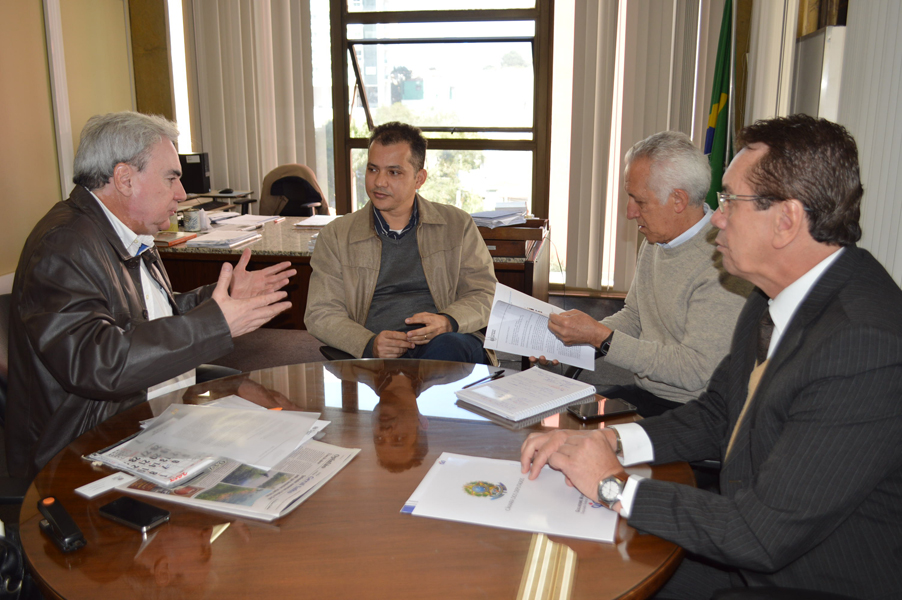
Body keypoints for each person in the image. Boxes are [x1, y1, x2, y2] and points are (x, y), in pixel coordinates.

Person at [520, 115, 902, 598]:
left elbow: (760, 535)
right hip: (757, 547)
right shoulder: (772, 295)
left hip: (815, 578)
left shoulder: (865, 343)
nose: (716, 217)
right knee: (587, 566)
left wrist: (613, 484)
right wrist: (614, 442)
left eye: (729, 202)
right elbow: (720, 411)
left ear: (785, 220)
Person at [6, 111, 294, 480]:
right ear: (125, 179)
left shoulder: (127, 231)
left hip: (140, 416)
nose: (182, 193)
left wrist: (221, 298)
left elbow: (147, 318)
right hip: (81, 450)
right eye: (171, 177)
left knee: (267, 447)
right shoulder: (62, 246)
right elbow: (98, 364)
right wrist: (215, 323)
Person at [535, 131, 751, 416]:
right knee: (554, 416)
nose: (629, 212)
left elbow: (695, 370)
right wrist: (573, 341)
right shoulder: (657, 239)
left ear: (678, 201)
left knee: (578, 443)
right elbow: (635, 316)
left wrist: (602, 337)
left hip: (696, 410)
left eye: (640, 201)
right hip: (648, 394)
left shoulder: (723, 262)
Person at [306, 122, 496, 363]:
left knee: (448, 348)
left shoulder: (457, 225)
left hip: (443, 342)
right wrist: (368, 343)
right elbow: (320, 312)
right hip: (378, 349)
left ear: (419, 178)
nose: (379, 182)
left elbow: (485, 293)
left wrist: (448, 320)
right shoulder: (336, 236)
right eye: (373, 169)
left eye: (394, 172)